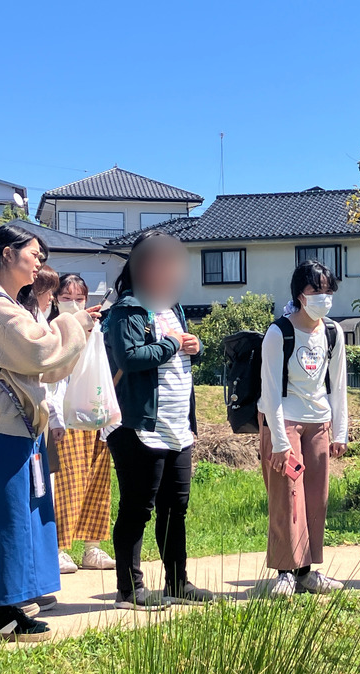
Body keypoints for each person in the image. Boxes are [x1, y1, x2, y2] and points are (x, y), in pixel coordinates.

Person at [0, 224, 99, 641]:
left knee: (20, 517)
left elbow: (46, 366)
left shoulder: (9, 305)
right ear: (7, 254)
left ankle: (10, 607)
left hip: (17, 425)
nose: (39, 261)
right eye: (34, 253)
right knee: (6, 519)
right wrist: (73, 322)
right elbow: (40, 352)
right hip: (1, 426)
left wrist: (76, 330)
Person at [104, 230, 207, 610]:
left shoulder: (173, 307)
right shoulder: (128, 308)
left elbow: (177, 354)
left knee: (175, 508)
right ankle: (129, 590)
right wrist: (173, 343)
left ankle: (177, 583)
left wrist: (194, 346)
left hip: (177, 424)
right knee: (137, 508)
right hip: (139, 425)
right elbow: (130, 358)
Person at [257, 260, 349, 598]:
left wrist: (340, 431)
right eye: (316, 290)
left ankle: (307, 572)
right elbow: (270, 392)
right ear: (300, 294)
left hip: (319, 423)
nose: (324, 297)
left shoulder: (333, 332)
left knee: (315, 499)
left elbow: (338, 384)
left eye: (328, 290)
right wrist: (280, 443)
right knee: (287, 498)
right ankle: (285, 572)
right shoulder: (279, 332)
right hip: (284, 422)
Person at [47, 273, 117, 575]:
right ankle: (58, 548)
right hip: (67, 415)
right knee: (67, 483)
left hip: (96, 414)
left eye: (79, 298)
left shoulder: (98, 329)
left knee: (97, 482)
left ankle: (93, 547)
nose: (74, 303)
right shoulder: (53, 329)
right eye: (67, 298)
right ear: (55, 300)